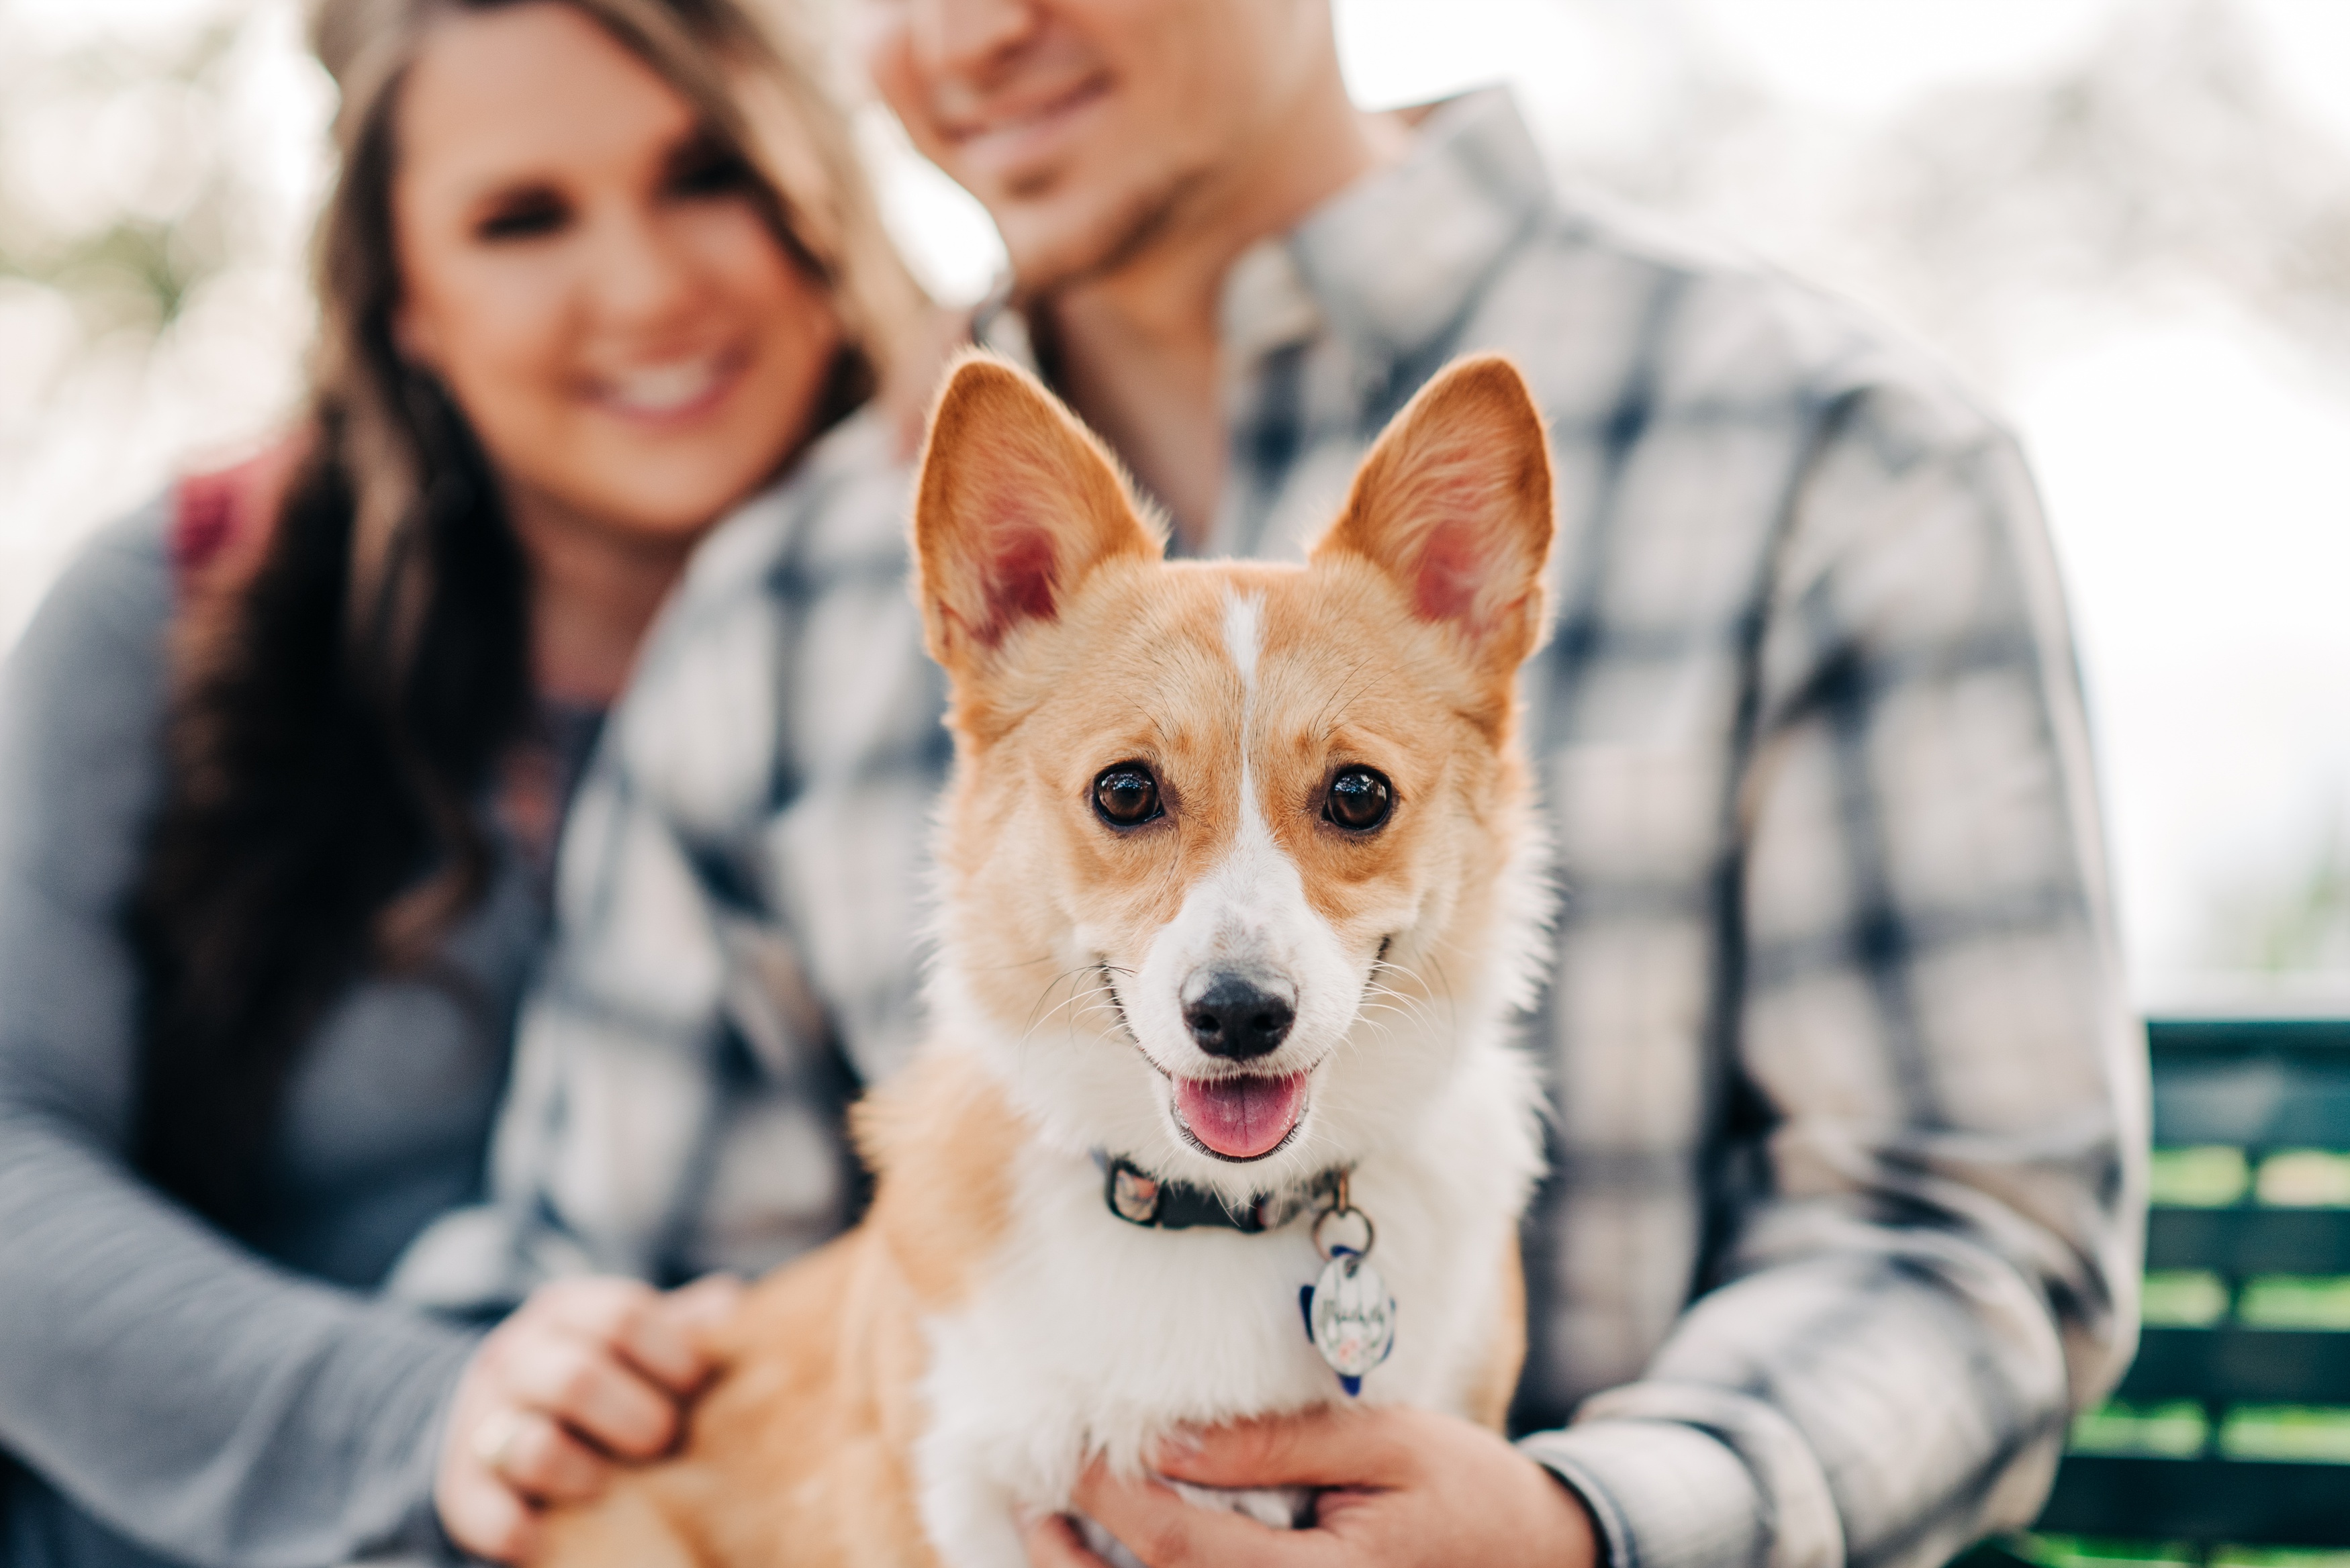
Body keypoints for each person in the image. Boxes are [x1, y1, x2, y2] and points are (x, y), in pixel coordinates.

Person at [845, 2, 2149, 1565]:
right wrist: (502, 1379)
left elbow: (1967, 1242)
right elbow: (634, 1292)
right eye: (1129, 797)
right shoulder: (773, 577)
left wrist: (1589, 1531)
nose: (979, 23)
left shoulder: (1842, 460)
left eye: (1353, 804)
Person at [0, 1, 937, 1563]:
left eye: (706, 174)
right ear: (404, 300)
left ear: (821, 186)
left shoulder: (1026, 635)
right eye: (521, 221)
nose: (642, 287)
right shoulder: (174, 603)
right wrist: (424, 1415)